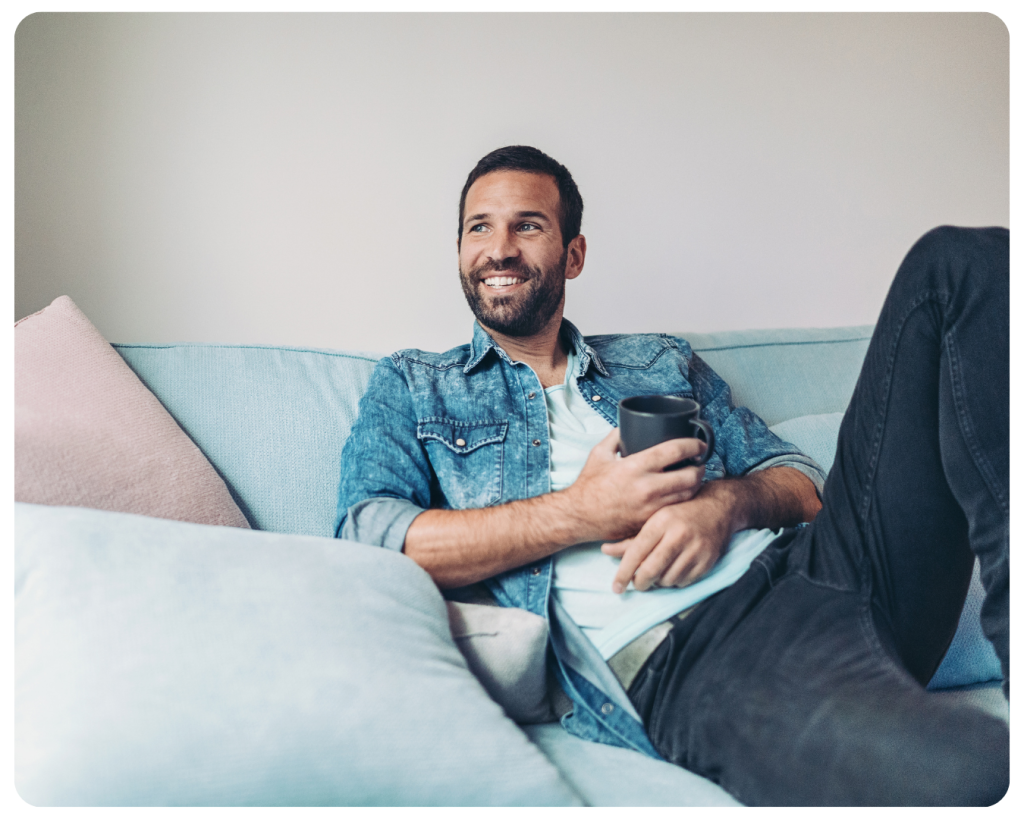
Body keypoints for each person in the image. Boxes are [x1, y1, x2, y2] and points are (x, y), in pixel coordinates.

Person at [335, 146, 1010, 806]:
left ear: (573, 254)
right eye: (479, 226)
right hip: (705, 654)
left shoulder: (656, 360)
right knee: (971, 771)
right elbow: (373, 536)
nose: (500, 247)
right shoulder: (416, 385)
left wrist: (724, 503)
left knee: (960, 262)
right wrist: (583, 510)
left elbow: (799, 481)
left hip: (831, 568)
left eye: (528, 224)